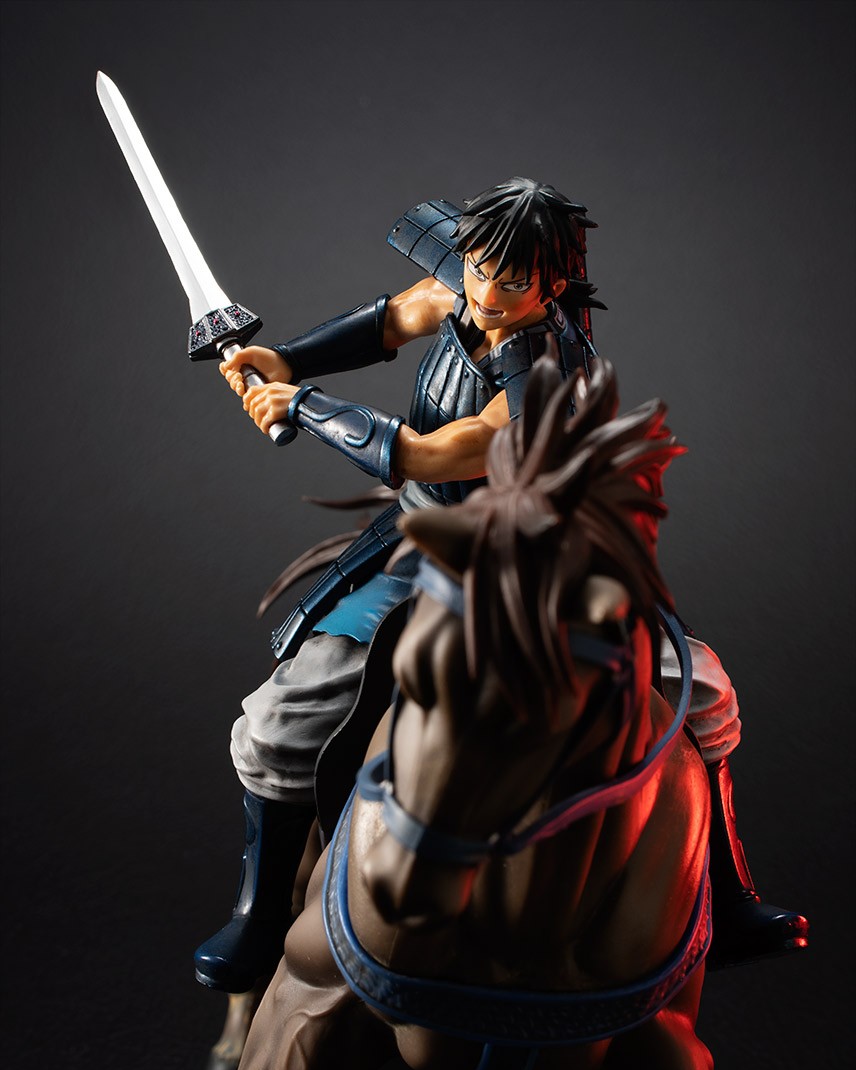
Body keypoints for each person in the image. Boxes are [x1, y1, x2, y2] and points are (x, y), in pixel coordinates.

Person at [194, 177, 807, 995]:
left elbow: (432, 452)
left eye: (511, 281)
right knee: (281, 722)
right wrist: (287, 359)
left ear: (553, 282)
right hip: (420, 544)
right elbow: (391, 320)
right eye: (479, 269)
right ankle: (262, 914)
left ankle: (729, 900)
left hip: (540, 558)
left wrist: (300, 405)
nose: (485, 294)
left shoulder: (549, 372)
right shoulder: (466, 284)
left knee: (699, 694)